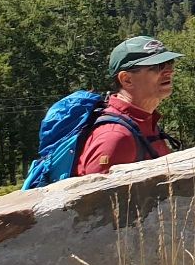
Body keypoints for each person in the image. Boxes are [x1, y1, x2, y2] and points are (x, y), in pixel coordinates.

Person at [75, 36, 183, 177]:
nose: (170, 71)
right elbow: (94, 190)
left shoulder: (143, 122)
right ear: (126, 79)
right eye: (158, 66)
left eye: (170, 63)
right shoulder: (115, 137)